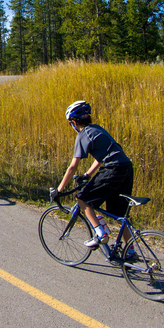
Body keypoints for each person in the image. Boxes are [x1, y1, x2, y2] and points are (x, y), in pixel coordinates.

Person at [57, 100, 135, 253]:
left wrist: (59, 190)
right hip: (126, 166)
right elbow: (101, 157)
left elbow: (72, 167)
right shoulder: (97, 129)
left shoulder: (82, 135)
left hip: (112, 168)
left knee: (82, 199)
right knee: (118, 214)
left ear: (73, 122)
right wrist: (87, 174)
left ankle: (100, 233)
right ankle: (130, 250)